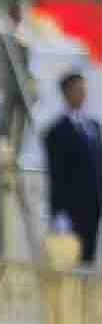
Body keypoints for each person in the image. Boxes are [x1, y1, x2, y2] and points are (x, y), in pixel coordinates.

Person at [47, 71, 102, 267]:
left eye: (84, 89)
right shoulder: (56, 131)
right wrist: (59, 214)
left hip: (93, 210)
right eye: (78, 90)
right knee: (69, 266)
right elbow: (56, 177)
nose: (83, 94)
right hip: (71, 212)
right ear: (67, 93)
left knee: (88, 262)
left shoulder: (94, 126)